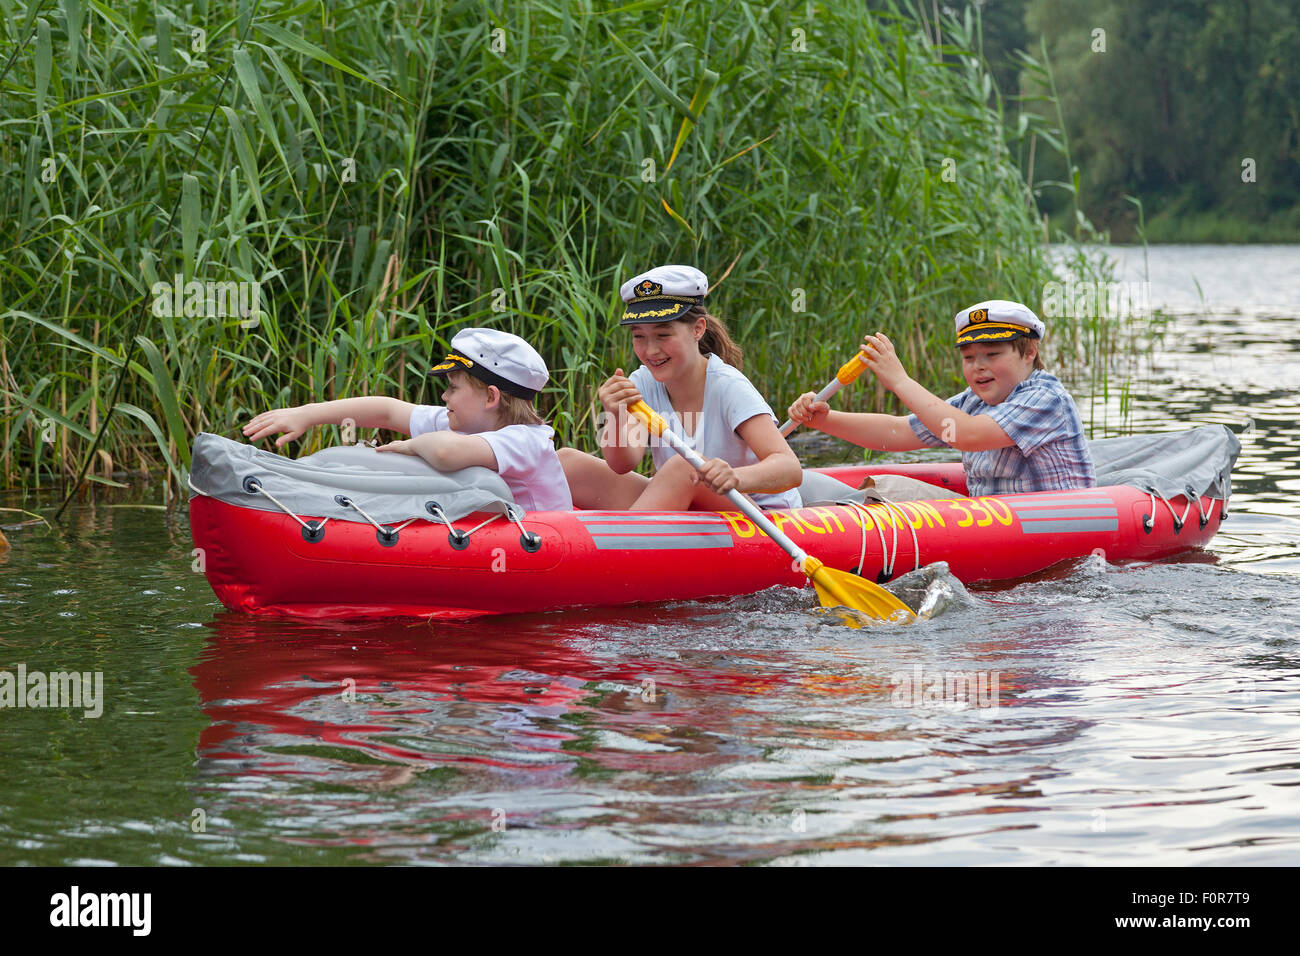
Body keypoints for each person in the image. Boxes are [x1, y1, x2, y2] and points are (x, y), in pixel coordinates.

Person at [242, 327, 573, 512]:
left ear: (491, 397)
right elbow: (387, 411)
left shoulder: (527, 440)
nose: (444, 398)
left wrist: (410, 446)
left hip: (549, 543)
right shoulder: (461, 423)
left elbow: (447, 453)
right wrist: (306, 414)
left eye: (453, 389)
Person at [787, 300, 1095, 497]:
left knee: (887, 492)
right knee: (878, 489)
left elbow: (969, 435)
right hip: (996, 522)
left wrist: (900, 381)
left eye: (992, 354)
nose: (979, 366)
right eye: (969, 357)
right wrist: (822, 419)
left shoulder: (1045, 398)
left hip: (1048, 525)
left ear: (1029, 352)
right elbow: (899, 432)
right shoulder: (973, 401)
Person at [559, 265, 802, 511]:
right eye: (639, 336)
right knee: (566, 463)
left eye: (663, 335)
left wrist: (736, 477)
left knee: (684, 466)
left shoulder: (729, 386)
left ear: (698, 329)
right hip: (692, 504)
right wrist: (614, 414)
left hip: (761, 518)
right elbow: (623, 464)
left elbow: (790, 469)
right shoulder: (641, 381)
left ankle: (621, 547)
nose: (650, 351)